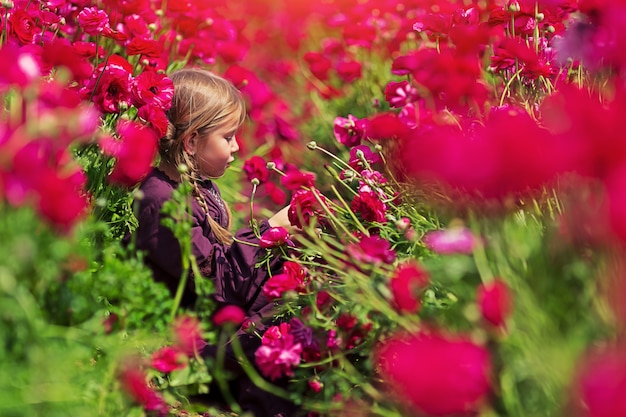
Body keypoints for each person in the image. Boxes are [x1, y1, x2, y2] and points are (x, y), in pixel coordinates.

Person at [132, 68, 298, 417]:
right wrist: (270, 230)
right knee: (276, 325)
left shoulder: (198, 185)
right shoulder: (160, 201)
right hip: (191, 343)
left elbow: (222, 261)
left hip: (213, 317)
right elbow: (215, 283)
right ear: (191, 142)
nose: (237, 146)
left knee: (295, 284)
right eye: (228, 137)